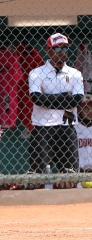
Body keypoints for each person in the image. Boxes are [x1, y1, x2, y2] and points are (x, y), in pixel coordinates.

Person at [28, 33, 84, 174]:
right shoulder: (36, 73)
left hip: (67, 126)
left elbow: (77, 100)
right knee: (39, 174)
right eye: (57, 49)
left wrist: (48, 100)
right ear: (48, 50)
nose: (62, 53)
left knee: (70, 174)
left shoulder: (75, 73)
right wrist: (65, 97)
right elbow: (37, 99)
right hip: (42, 127)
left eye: (65, 49)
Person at [76, 95, 92, 173]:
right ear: (79, 109)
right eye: (86, 107)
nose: (90, 111)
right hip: (78, 173)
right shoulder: (73, 128)